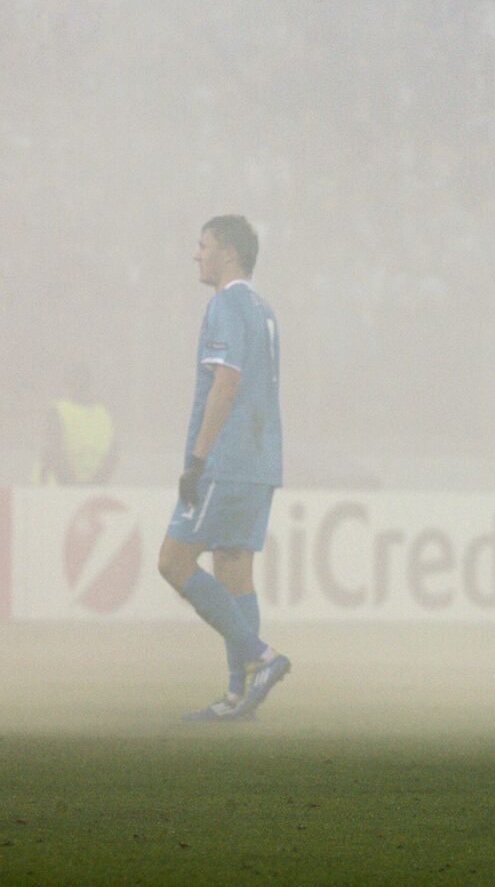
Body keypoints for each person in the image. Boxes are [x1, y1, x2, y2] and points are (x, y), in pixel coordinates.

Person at [156, 215, 290, 721]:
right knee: (234, 570)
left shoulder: (225, 305)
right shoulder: (264, 310)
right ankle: (239, 697)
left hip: (226, 460)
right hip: (261, 461)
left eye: (203, 245)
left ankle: (262, 658)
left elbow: (226, 382)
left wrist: (197, 459)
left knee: (173, 562)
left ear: (228, 253)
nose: (197, 254)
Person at [33, 364, 117, 485]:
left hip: (86, 487)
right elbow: (53, 452)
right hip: (54, 486)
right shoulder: (58, 411)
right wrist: (74, 485)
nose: (81, 386)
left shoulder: (104, 415)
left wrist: (93, 484)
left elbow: (113, 455)